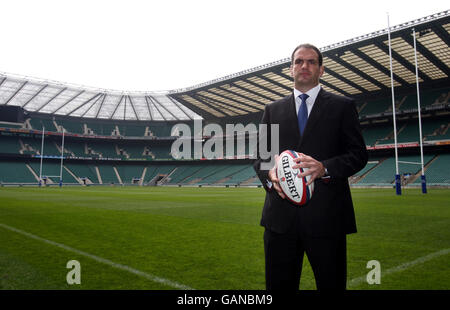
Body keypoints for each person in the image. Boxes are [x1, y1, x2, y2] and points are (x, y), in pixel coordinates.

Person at [253, 43, 368, 290]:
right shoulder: (272, 110)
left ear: (321, 70)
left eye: (311, 62)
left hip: (327, 219)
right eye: (299, 61)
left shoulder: (342, 106)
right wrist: (271, 175)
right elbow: (261, 158)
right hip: (280, 221)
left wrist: (324, 168)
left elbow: (358, 154)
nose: (304, 66)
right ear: (290, 69)